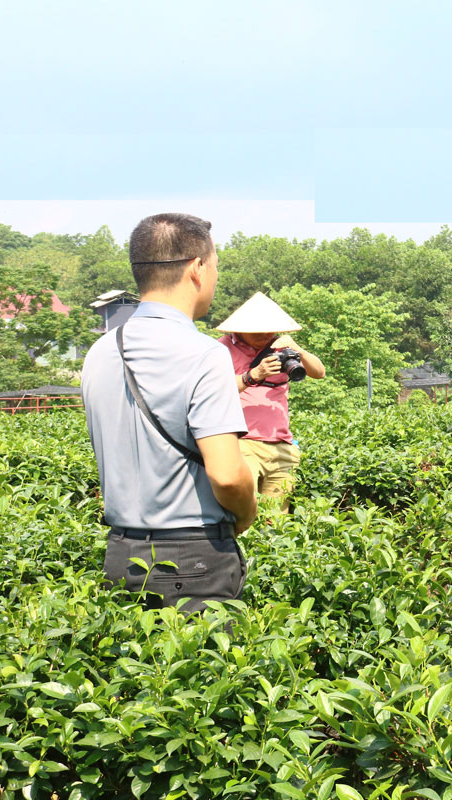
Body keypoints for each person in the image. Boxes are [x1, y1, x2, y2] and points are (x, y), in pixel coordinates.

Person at [81, 213, 256, 612]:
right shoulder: (206, 354)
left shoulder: (100, 353)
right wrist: (245, 514)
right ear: (197, 268)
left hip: (122, 555)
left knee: (137, 672)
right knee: (202, 673)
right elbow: (227, 476)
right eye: (215, 267)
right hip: (195, 560)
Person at [216, 293, 327, 512]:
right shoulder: (221, 349)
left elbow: (319, 372)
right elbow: (212, 390)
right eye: (258, 330)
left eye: (270, 329)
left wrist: (297, 349)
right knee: (244, 511)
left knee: (276, 519)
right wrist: (253, 375)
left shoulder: (280, 347)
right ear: (241, 328)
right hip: (242, 442)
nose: (265, 335)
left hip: (280, 445)